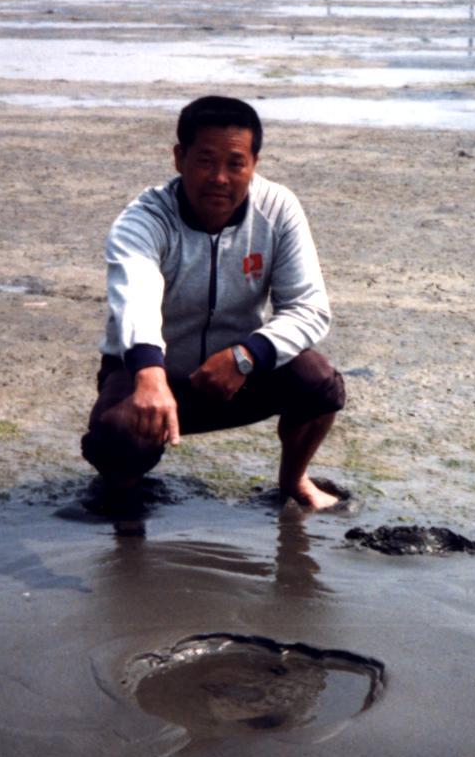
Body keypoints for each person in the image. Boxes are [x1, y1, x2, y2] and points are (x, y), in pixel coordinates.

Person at [81, 96, 345, 510]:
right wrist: (151, 376)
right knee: (117, 434)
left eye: (235, 163)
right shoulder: (143, 220)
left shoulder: (279, 209)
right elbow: (136, 299)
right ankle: (125, 511)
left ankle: (294, 482)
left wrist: (246, 355)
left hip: (237, 372)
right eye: (205, 161)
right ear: (179, 158)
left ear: (254, 163)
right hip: (151, 375)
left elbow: (309, 309)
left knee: (319, 381)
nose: (220, 178)